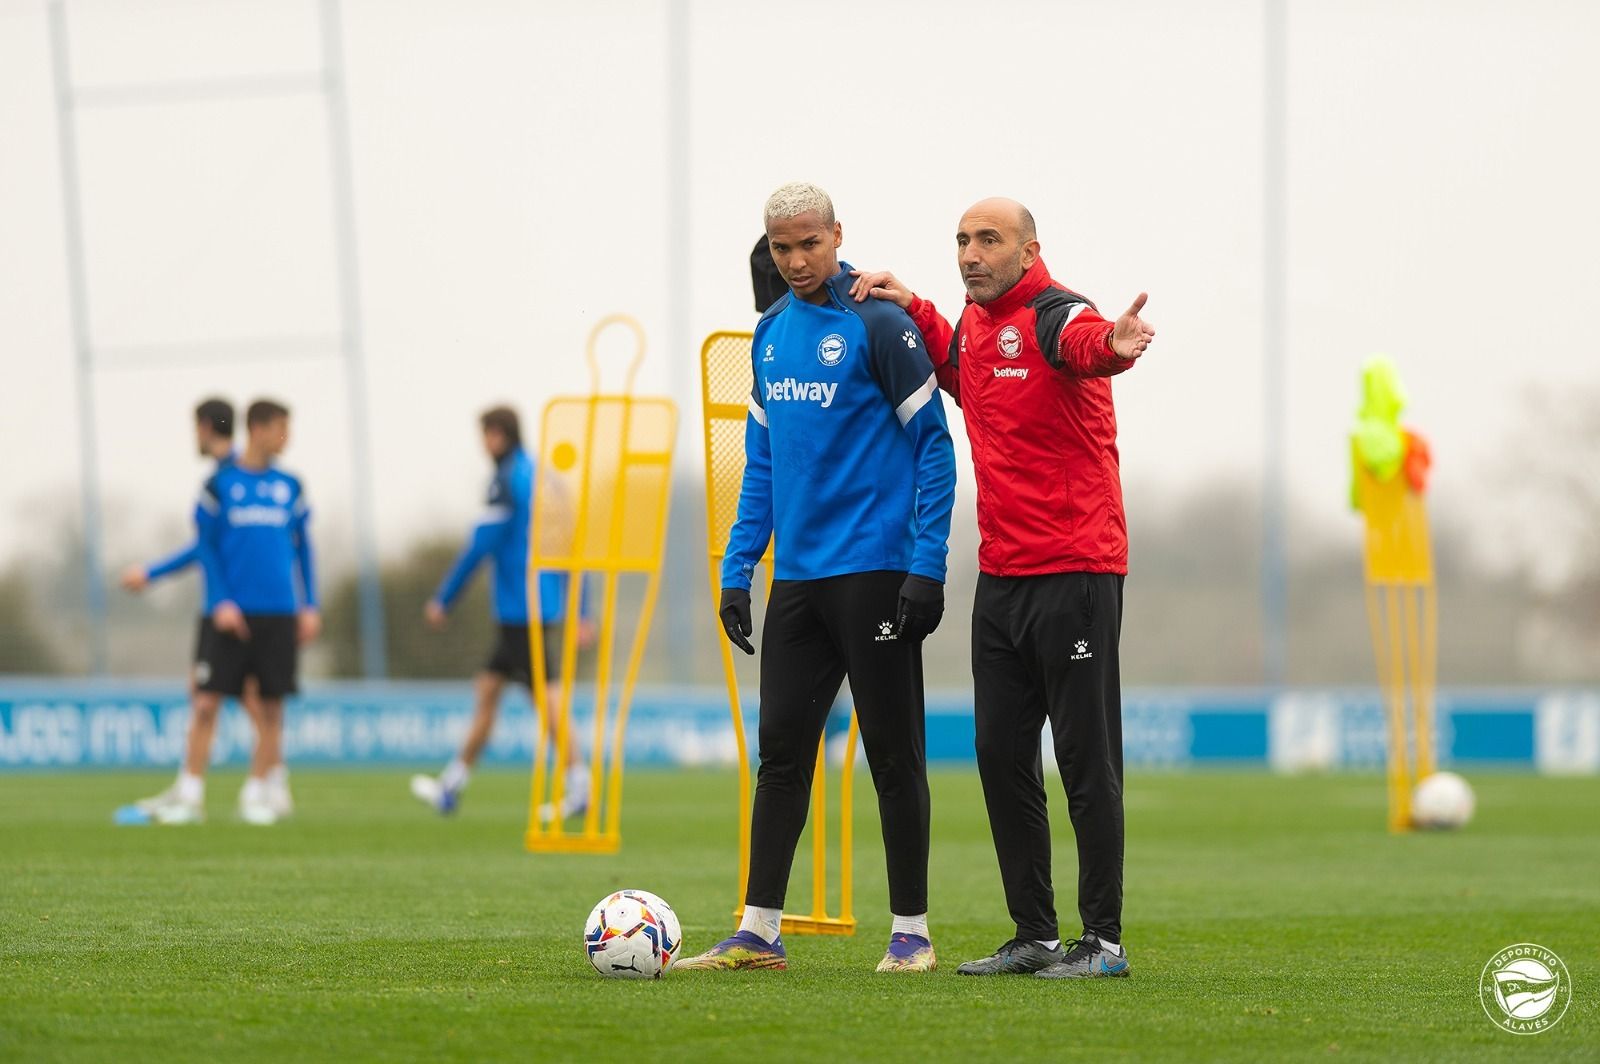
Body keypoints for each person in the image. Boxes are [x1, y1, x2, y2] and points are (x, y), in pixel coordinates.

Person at [849, 197, 1155, 979]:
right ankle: (1034, 935)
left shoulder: (1058, 314)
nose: (971, 253)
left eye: (988, 239)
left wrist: (1115, 345)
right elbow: (955, 362)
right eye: (961, 240)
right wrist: (908, 300)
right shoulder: (977, 329)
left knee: (1086, 760)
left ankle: (1105, 941)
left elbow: (1084, 346)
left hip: (1077, 571)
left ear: (1029, 252)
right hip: (1004, 577)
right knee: (999, 757)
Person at [678, 182, 956, 974]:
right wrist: (738, 570)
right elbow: (760, 465)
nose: (796, 262)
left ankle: (911, 934)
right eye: (781, 249)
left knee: (894, 758)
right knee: (781, 757)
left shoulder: (880, 325)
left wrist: (925, 567)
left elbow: (936, 449)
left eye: (809, 244)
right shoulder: (768, 335)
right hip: (796, 581)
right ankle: (759, 930)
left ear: (837, 236)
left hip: (876, 574)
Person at [410, 406, 594, 818]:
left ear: (500, 434)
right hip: (539, 601)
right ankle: (452, 785)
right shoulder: (546, 477)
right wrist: (581, 607)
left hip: (519, 606)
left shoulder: (506, 480)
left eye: (488, 435)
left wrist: (445, 599)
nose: (484, 445)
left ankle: (579, 783)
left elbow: (481, 545)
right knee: (489, 691)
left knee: (546, 697)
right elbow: (571, 543)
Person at [151, 399, 320, 826]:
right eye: (283, 428)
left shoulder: (291, 486)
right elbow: (205, 548)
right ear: (259, 429)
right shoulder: (220, 486)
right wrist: (221, 600)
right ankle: (190, 796)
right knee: (206, 702)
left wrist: (310, 604)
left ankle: (257, 793)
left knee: (270, 709)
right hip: (228, 614)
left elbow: (305, 549)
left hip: (279, 613)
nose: (289, 438)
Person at [118, 398, 287, 823]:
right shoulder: (223, 477)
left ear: (207, 426)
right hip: (223, 607)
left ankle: (267, 783)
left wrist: (152, 571)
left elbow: (203, 548)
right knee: (214, 697)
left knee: (244, 699)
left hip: (232, 608)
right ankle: (195, 788)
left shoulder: (231, 478)